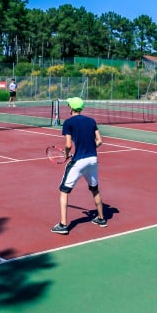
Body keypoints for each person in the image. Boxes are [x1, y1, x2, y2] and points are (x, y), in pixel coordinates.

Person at [51, 97, 107, 235]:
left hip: (79, 161)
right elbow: (100, 141)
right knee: (95, 189)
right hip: (93, 159)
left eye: (68, 105)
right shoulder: (91, 121)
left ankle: (63, 225)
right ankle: (101, 219)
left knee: (64, 191)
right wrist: (87, 150)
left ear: (71, 107)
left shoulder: (68, 123)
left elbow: (68, 145)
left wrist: (67, 154)